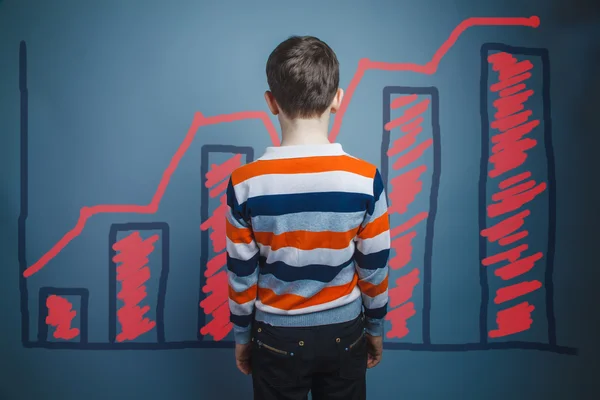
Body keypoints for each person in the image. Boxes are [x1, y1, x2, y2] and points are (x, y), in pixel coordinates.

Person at [225, 35, 391, 400]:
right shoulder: (365, 179)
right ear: (338, 99)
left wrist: (241, 336)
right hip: (345, 333)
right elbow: (374, 268)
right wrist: (375, 328)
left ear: (271, 102)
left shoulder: (244, 183)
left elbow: (241, 275)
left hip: (275, 336)